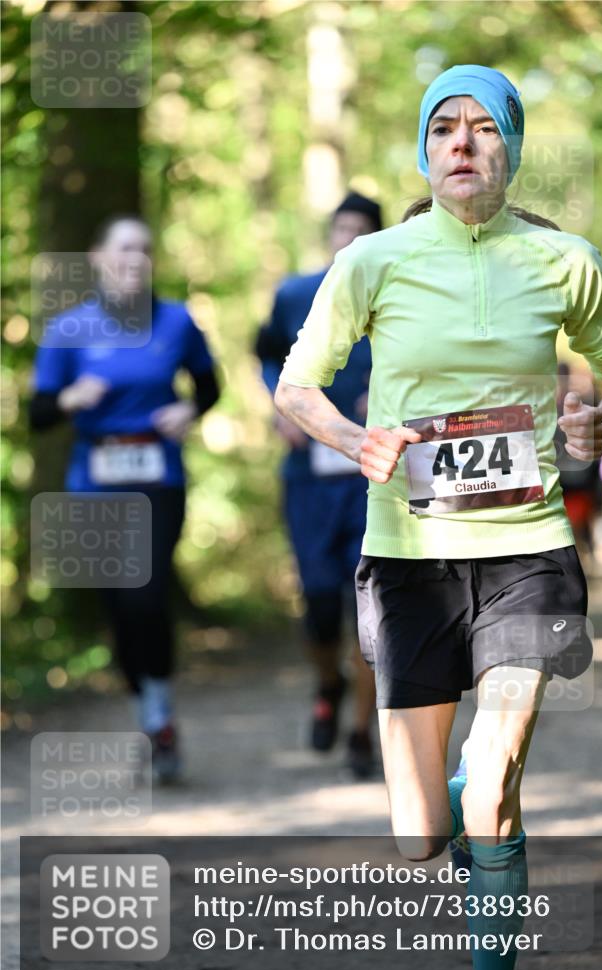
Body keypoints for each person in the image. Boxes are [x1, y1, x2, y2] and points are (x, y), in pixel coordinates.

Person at [275, 65, 602, 970]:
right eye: (444, 127)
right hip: (409, 558)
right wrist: (359, 441)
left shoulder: (565, 262)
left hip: (525, 551)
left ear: (509, 149)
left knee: (491, 782)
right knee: (422, 837)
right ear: (423, 149)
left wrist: (598, 419)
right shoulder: (374, 261)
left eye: (484, 128)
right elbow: (295, 385)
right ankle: (458, 822)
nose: (463, 142)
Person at [30, 215, 220, 783]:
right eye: (124, 249)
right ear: (98, 258)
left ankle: (160, 717)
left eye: (144, 249)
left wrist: (189, 409)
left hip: (157, 478)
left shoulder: (177, 321)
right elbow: (36, 415)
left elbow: (210, 385)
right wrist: (69, 398)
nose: (135, 259)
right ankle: (148, 707)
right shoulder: (69, 329)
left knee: (146, 595)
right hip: (93, 481)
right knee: (118, 610)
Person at [256, 192, 383, 779]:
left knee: (370, 607)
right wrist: (282, 409)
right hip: (309, 478)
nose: (347, 238)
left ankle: (362, 732)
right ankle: (326, 682)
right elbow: (266, 358)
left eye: (360, 230)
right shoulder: (293, 294)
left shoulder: (392, 291)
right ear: (328, 235)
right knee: (318, 602)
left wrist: (384, 391)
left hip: (372, 476)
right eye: (340, 228)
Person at [554, 362, 602, 566]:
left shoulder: (577, 403)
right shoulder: (552, 405)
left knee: (581, 518)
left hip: (578, 476)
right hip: (564, 476)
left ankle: (585, 551)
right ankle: (580, 553)